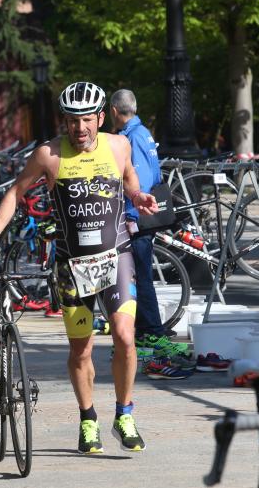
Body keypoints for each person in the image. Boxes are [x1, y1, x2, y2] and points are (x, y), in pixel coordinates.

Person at [0, 81, 159, 454]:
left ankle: (125, 413)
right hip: (72, 266)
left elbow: (129, 183)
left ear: (101, 118)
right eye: (73, 121)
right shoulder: (48, 155)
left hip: (116, 257)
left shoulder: (119, 146)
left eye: (87, 120)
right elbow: (14, 193)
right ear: (65, 121)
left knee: (125, 336)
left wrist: (139, 197)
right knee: (82, 351)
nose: (80, 129)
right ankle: (88, 418)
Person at [109, 88, 193, 376]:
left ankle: (153, 331)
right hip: (145, 215)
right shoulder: (143, 132)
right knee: (139, 275)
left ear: (113, 111)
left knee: (140, 276)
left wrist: (131, 216)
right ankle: (147, 329)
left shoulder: (130, 137)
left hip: (139, 218)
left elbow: (141, 181)